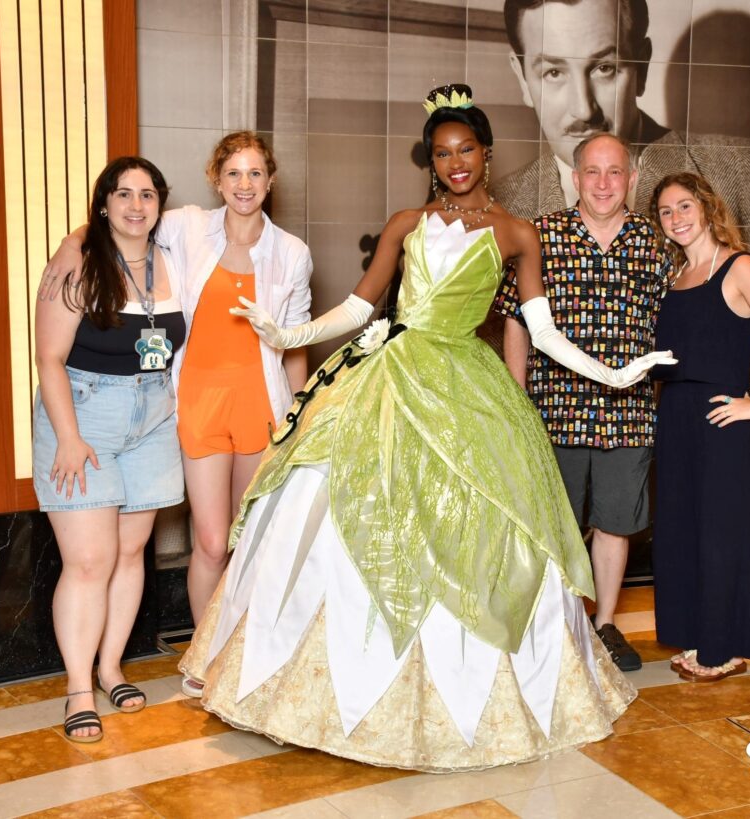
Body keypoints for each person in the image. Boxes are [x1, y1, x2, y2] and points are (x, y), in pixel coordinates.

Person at [179, 85, 673, 771]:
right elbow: (359, 304)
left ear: (486, 152)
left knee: (480, 525)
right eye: (442, 154)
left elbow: (544, 333)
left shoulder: (516, 233)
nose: (455, 163)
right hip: (391, 374)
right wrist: (291, 331)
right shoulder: (406, 222)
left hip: (469, 384)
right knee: (334, 503)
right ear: (432, 162)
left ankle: (472, 689)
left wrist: (617, 373)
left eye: (466, 148)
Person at [495, 0, 750, 515]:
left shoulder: (749, 172)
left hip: (745, 496)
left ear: (643, 63)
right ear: (521, 76)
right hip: (564, 507)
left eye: (605, 67)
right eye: (553, 72)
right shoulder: (500, 210)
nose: (581, 107)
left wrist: (727, 414)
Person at [40, 133, 313, 698]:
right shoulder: (187, 228)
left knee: (254, 539)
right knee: (211, 542)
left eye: (255, 174)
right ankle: (203, 653)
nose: (244, 184)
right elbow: (117, 222)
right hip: (193, 403)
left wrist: (300, 413)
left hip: (258, 405)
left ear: (270, 180)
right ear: (217, 178)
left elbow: (296, 341)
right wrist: (73, 242)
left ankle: (248, 653)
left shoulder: (292, 252)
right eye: (234, 173)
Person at [494, 132, 665, 673]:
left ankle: (604, 623)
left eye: (615, 172)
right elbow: (516, 320)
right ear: (574, 176)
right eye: (593, 171)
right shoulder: (540, 235)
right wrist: (517, 396)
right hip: (553, 409)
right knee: (554, 522)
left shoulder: (654, 244)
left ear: (632, 180)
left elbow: (672, 328)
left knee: (615, 523)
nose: (604, 183)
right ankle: (556, 628)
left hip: (628, 413)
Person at [33, 157, 186, 742]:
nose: (135, 205)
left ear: (160, 204)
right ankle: (78, 689)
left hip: (152, 419)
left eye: (148, 194)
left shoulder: (175, 256)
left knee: (129, 552)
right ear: (103, 204)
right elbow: (49, 355)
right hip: (84, 413)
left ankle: (111, 667)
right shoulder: (80, 260)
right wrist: (68, 437)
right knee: (89, 561)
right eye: (122, 194)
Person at [649, 172, 750, 681]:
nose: (676, 217)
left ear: (708, 207)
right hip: (675, 418)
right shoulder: (675, 278)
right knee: (684, 531)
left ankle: (720, 649)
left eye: (685, 205)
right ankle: (700, 635)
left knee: (719, 534)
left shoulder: (739, 267)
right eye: (666, 211)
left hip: (721, 420)